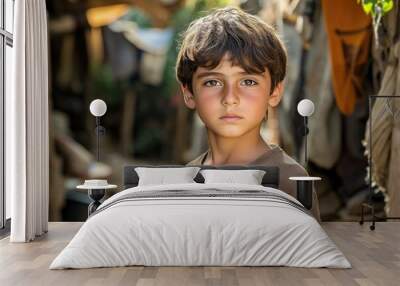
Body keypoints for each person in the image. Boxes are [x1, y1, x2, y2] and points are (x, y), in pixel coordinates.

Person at [175, 6, 320, 221]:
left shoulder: (290, 181)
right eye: (212, 82)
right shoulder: (183, 180)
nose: (230, 97)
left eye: (248, 81)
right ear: (189, 93)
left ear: (274, 92)